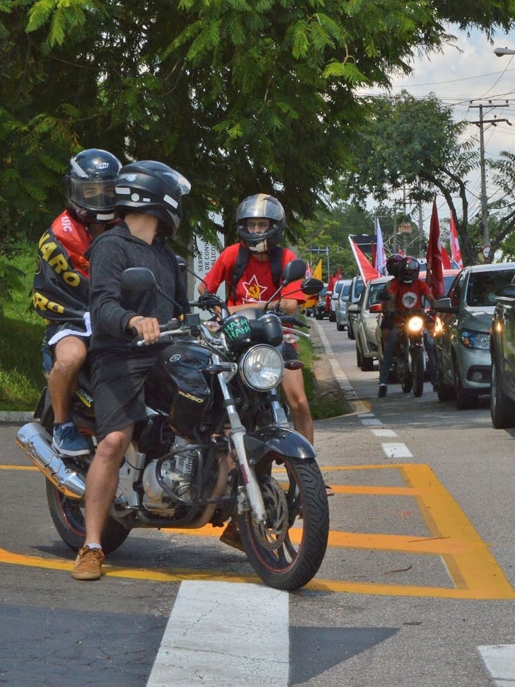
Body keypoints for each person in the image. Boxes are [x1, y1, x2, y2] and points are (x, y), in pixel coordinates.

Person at [73, 161, 190, 581]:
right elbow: (101, 305)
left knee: (210, 411)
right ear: (154, 197)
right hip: (119, 354)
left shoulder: (164, 253)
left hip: (161, 353)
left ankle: (237, 516)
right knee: (114, 441)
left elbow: (181, 310)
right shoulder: (111, 247)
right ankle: (90, 546)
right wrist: (132, 320)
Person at [198, 194, 326, 514]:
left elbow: (293, 304)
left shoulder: (286, 258)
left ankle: (310, 472)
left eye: (262, 224)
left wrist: (238, 308)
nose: (256, 229)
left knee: (298, 400)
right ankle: (229, 475)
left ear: (275, 226)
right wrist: (219, 311)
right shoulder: (231, 255)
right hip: (240, 338)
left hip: (277, 335)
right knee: (231, 406)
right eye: (251, 224)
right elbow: (206, 291)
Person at [33, 149, 122, 457]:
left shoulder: (124, 227)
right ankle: (61, 425)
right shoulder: (59, 236)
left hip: (118, 314)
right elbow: (59, 288)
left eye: (107, 190)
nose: (100, 197)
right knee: (71, 358)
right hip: (71, 317)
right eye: (91, 190)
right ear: (74, 189)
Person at [377, 257, 438, 398]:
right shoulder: (396, 284)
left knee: (430, 343)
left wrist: (435, 307)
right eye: (406, 271)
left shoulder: (420, 284)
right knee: (390, 345)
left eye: (411, 271)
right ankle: (383, 384)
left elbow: (430, 298)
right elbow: (391, 299)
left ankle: (436, 380)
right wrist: (392, 311)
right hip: (400, 320)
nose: (409, 274)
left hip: (417, 319)